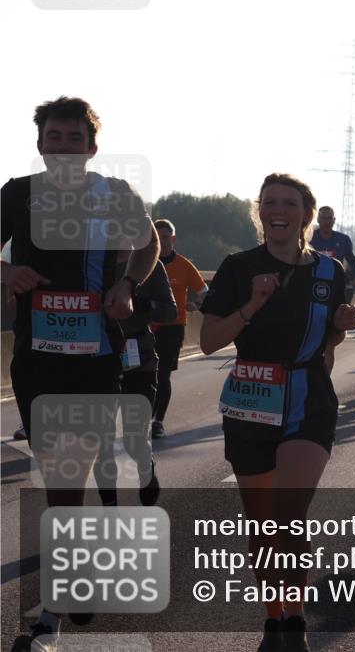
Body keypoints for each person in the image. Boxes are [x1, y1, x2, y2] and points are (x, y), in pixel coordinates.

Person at [2, 96, 159, 652]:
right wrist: (10, 269)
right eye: (54, 136)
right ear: (40, 142)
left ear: (92, 147)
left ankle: (50, 617)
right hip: (35, 358)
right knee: (59, 479)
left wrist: (126, 286)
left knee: (68, 476)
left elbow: (148, 245)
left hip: (96, 355)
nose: (63, 146)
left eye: (75, 139)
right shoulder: (17, 194)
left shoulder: (114, 195)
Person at [200, 173, 355, 652]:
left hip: (308, 398)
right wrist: (252, 303)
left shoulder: (329, 272)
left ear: (306, 215)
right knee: (262, 525)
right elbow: (208, 341)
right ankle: (276, 618)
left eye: (289, 203)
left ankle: (296, 619)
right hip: (252, 398)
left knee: (288, 516)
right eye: (269, 202)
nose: (278, 209)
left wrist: (341, 326)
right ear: (260, 211)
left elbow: (328, 340)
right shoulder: (237, 267)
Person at [94, 249, 177, 506]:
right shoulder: (91, 262)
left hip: (139, 361)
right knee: (101, 443)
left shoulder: (149, 266)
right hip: (97, 359)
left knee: (134, 439)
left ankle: (145, 470)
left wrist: (143, 304)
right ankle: (110, 508)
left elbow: (170, 311)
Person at [148, 219, 208, 438]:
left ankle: (158, 421)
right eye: (157, 236)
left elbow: (204, 293)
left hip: (172, 327)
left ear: (172, 239)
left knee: (162, 375)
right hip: (144, 328)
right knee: (141, 374)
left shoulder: (184, 265)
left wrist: (196, 304)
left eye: (166, 237)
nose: (162, 241)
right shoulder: (143, 262)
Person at [310, 206, 355, 296]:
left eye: (329, 218)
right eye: (324, 218)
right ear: (318, 219)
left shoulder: (343, 240)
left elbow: (352, 260)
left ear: (334, 220)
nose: (327, 222)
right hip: (312, 283)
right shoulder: (309, 238)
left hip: (335, 284)